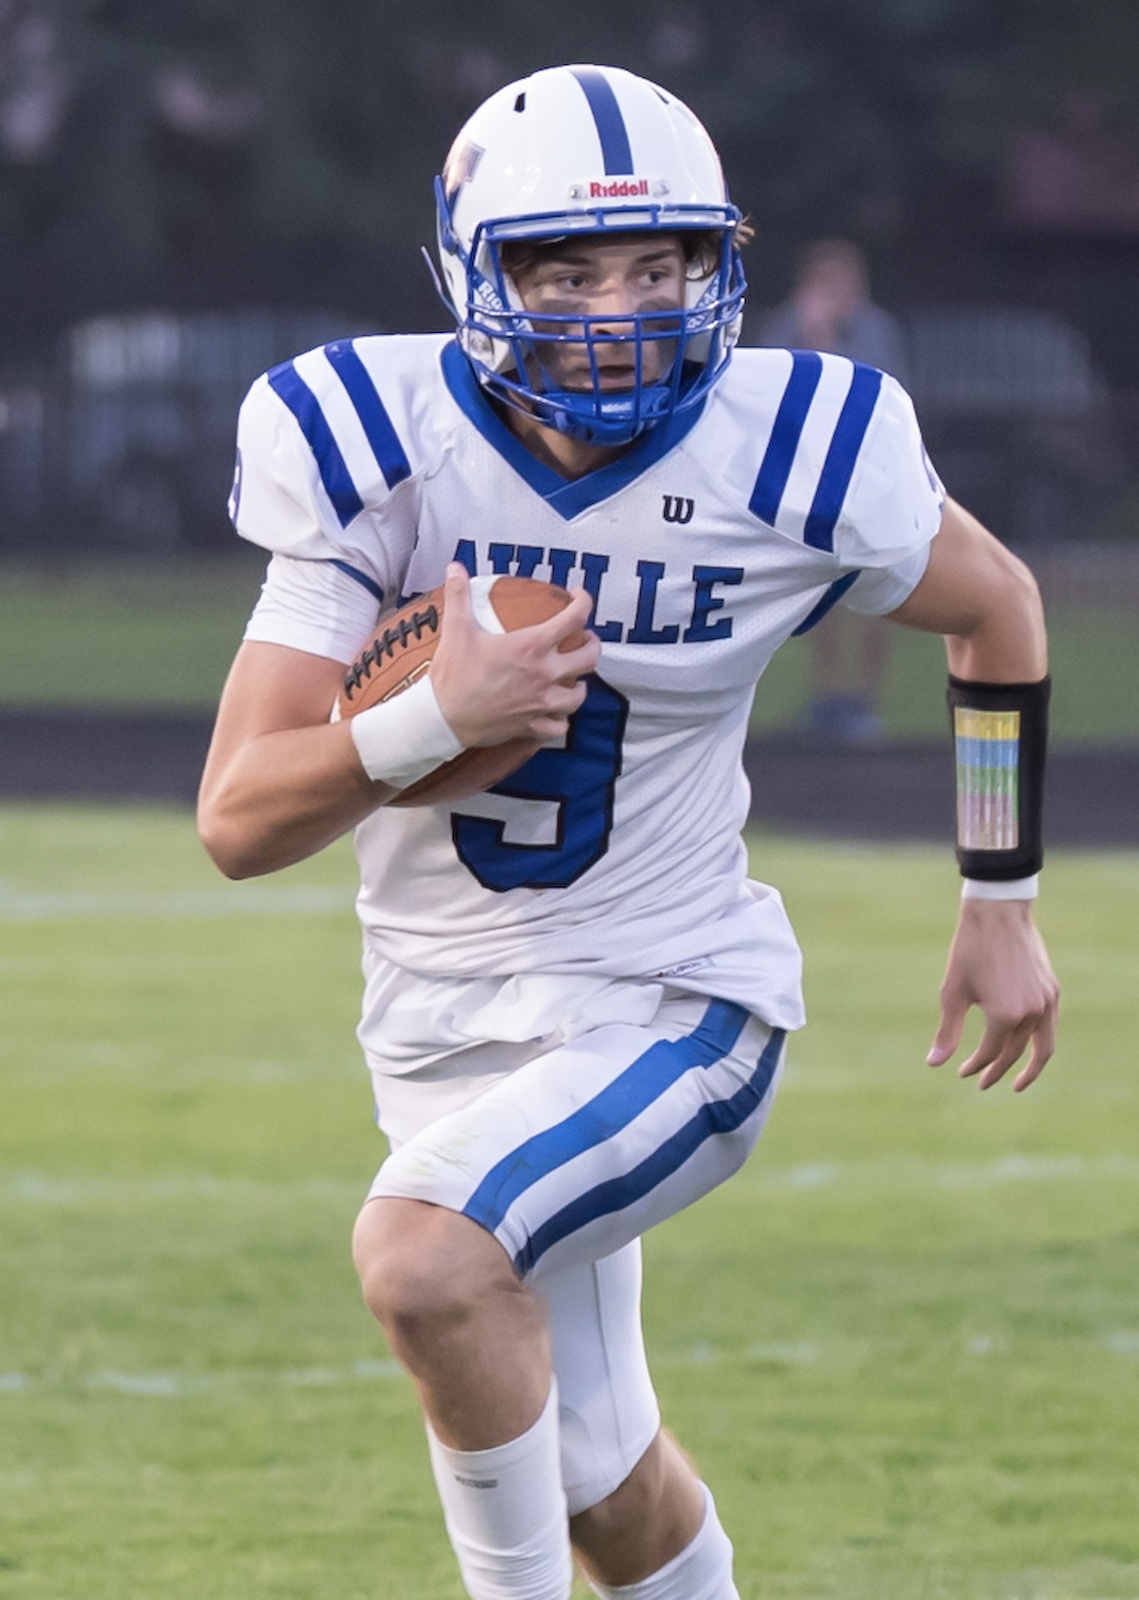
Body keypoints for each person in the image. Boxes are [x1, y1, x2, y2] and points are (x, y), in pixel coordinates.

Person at [197, 64, 1059, 1600]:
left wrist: (998, 895)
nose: (620, 314)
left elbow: (993, 607)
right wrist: (432, 716)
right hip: (437, 1020)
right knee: (596, 1478)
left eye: (658, 269)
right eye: (568, 275)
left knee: (423, 1259)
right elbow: (239, 818)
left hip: (675, 997)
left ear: (713, 266)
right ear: (473, 275)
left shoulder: (789, 445)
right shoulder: (370, 440)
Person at [756, 238, 913, 744]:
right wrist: (811, 333)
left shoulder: (875, 328)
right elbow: (766, 393)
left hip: (868, 478)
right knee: (821, 586)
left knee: (876, 585)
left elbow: (877, 394)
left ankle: (865, 701)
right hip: (808, 480)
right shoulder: (785, 326)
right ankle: (826, 697)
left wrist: (830, 337)